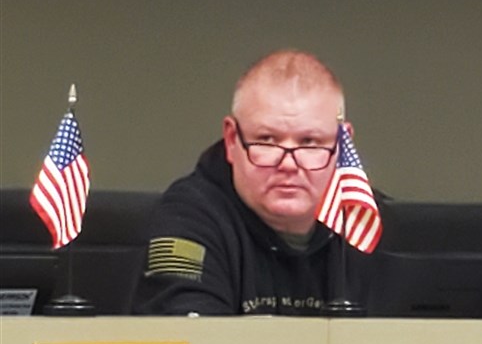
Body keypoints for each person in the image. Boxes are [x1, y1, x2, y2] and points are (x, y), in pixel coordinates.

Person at [132, 49, 384, 316]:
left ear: (343, 144)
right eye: (267, 140)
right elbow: (190, 334)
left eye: (310, 142)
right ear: (231, 140)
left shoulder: (369, 224)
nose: (289, 164)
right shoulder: (184, 220)